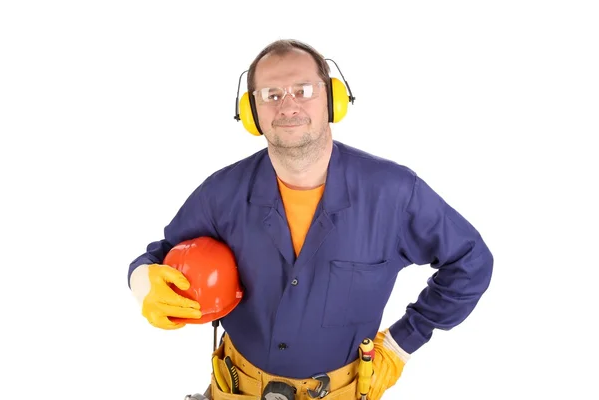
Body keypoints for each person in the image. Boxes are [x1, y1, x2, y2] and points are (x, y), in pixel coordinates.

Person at [127, 39, 494, 400]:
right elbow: (161, 256)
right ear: (251, 112)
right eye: (271, 94)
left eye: (303, 90)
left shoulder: (393, 193)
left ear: (333, 100)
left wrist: (402, 343)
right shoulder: (221, 193)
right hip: (236, 389)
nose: (288, 105)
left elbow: (470, 261)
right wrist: (142, 280)